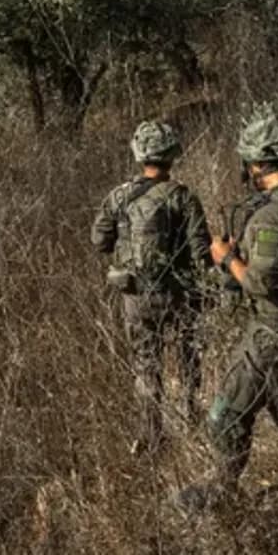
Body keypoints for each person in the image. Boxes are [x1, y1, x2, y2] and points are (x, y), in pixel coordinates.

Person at [177, 110, 278, 512]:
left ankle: (223, 489)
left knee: (226, 413)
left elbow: (261, 282)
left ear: (260, 164)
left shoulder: (271, 217)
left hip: (275, 330)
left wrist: (227, 257)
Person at [91, 121, 212, 455]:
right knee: (190, 357)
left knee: (146, 365)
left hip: (136, 296)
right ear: (173, 154)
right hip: (180, 293)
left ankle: (151, 436)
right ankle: (193, 422)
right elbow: (202, 251)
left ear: (138, 153)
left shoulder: (118, 197)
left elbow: (99, 241)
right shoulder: (183, 197)